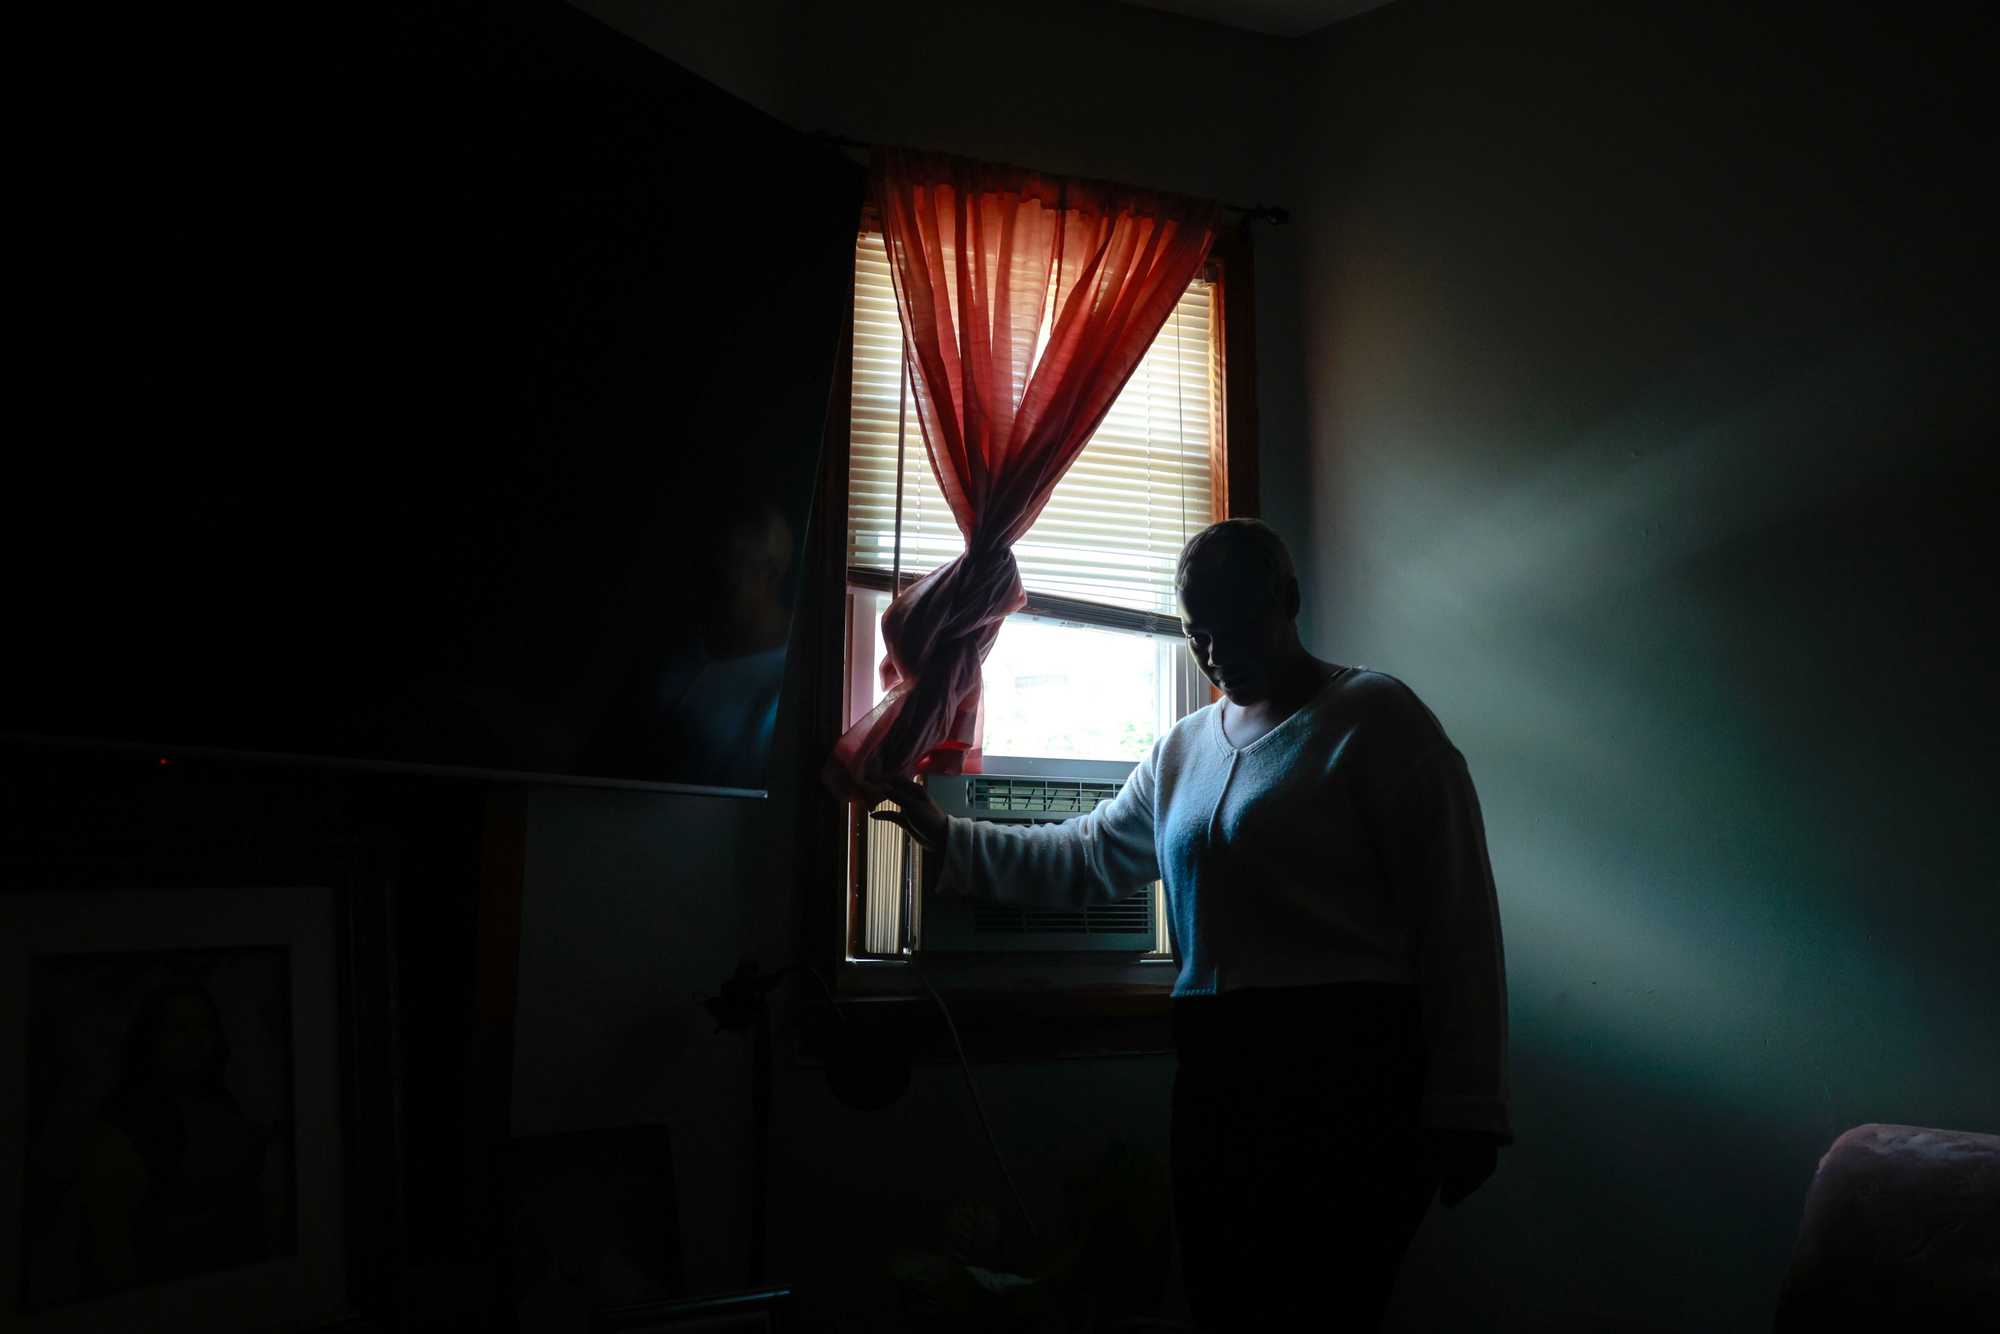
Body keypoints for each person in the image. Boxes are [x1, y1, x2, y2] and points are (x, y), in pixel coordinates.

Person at [863, 517, 1509, 1331]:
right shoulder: (1182, 751)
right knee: (1223, 1306)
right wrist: (950, 836)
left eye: (1235, 623)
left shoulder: (1376, 720)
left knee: (1326, 1310)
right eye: (1196, 632)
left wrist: (1470, 1104)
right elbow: (1088, 855)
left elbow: (1457, 917)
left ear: (1288, 600)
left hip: (1351, 1078)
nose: (1215, 651)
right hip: (1216, 1079)